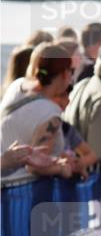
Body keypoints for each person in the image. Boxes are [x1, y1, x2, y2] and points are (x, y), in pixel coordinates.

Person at [1, 42, 75, 182]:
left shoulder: (17, 85)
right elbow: (35, 166)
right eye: (71, 71)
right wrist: (62, 168)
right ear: (65, 74)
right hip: (26, 192)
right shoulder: (49, 113)